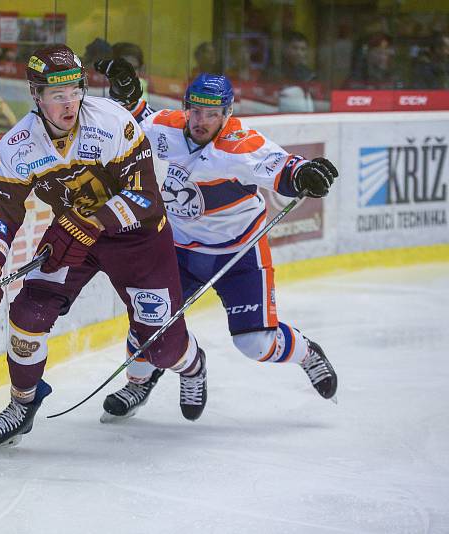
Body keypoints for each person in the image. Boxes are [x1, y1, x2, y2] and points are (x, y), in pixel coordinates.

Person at [0, 44, 205, 452]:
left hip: (138, 240)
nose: (69, 103)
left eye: (75, 90)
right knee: (27, 313)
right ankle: (23, 403)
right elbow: (1, 211)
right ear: (35, 96)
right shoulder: (18, 145)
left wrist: (90, 222)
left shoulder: (113, 123)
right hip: (75, 238)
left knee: (162, 348)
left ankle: (193, 364)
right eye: (57, 95)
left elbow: (145, 198)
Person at [94, 58, 339, 420]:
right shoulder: (167, 129)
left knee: (255, 344)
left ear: (227, 114)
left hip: (239, 254)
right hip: (177, 251)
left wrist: (304, 173)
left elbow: (283, 166)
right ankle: (141, 383)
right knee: (148, 319)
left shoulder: (241, 145)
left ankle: (306, 352)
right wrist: (128, 95)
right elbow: (136, 117)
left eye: (211, 114)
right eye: (195, 111)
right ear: (186, 109)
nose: (201, 121)